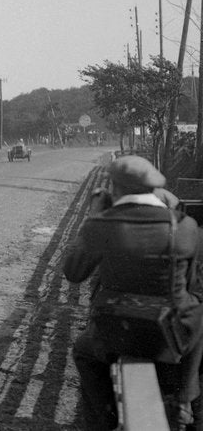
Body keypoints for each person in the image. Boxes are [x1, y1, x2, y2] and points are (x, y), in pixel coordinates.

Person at [64, 156, 203, 430]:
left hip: (117, 334)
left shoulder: (101, 225)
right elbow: (189, 286)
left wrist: (94, 216)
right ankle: (188, 403)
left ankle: (106, 420)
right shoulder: (185, 227)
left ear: (115, 188)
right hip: (172, 334)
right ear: (155, 190)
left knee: (83, 352)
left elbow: (74, 272)